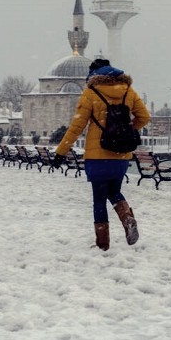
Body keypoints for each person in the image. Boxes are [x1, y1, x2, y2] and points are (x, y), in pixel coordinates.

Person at [52, 58, 150, 251]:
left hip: (98, 155)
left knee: (99, 197)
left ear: (94, 74)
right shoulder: (128, 90)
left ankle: (102, 244)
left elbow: (77, 126)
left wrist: (61, 151)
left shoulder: (91, 92)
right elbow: (144, 117)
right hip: (121, 154)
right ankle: (127, 217)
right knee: (114, 191)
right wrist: (127, 131)